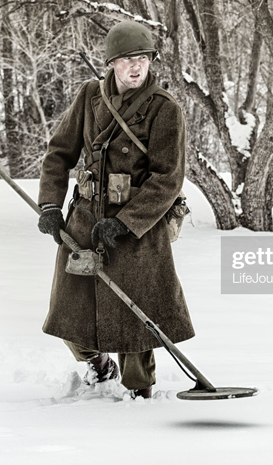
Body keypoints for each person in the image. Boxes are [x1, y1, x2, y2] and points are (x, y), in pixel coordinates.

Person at [36, 20, 194, 399]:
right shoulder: (89, 97)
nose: (136, 67)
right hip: (86, 220)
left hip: (137, 228)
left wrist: (125, 223)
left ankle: (139, 392)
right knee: (70, 311)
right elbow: (59, 154)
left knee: (137, 317)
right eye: (127, 60)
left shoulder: (164, 109)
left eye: (143, 58)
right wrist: (50, 205)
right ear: (111, 63)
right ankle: (97, 364)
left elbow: (167, 179)